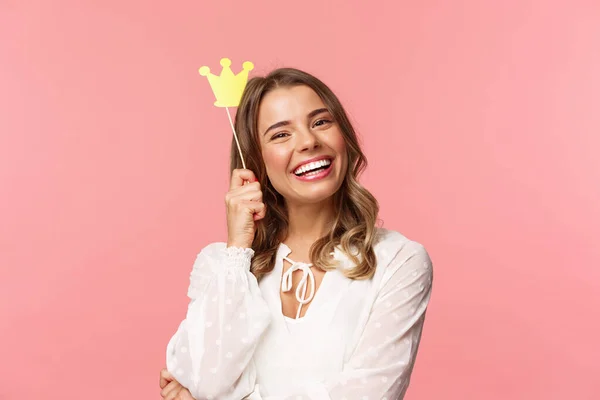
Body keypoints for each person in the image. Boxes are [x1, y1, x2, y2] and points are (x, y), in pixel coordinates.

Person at [159, 67, 434, 400]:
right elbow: (206, 379)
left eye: (320, 122)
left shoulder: (397, 260)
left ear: (343, 136)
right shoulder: (221, 265)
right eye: (280, 134)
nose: (308, 141)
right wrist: (238, 249)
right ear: (256, 162)